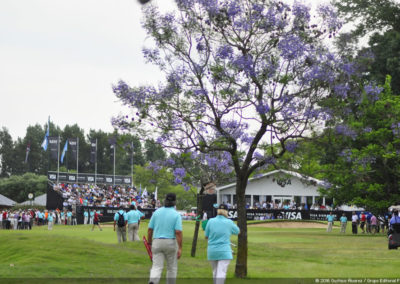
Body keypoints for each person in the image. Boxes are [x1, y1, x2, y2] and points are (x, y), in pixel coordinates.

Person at [148, 193, 182, 284]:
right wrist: (180, 248)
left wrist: (149, 242)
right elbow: (178, 232)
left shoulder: (157, 212)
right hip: (170, 241)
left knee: (156, 266)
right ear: (175, 202)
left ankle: (153, 281)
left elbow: (150, 229)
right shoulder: (176, 214)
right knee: (171, 267)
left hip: (157, 241)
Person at [205, 203, 240, 284]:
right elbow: (238, 231)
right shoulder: (229, 222)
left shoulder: (210, 221)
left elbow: (206, 236)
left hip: (212, 250)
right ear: (226, 212)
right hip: (224, 250)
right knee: (221, 273)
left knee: (215, 272)